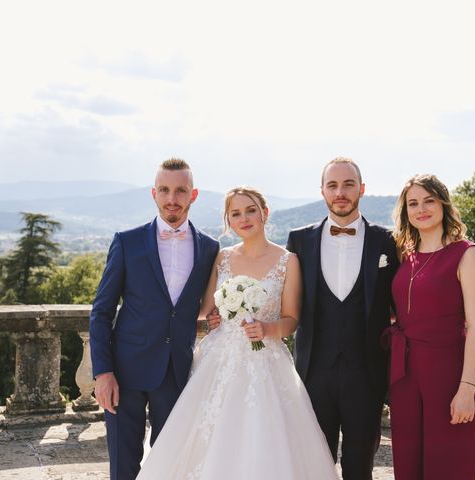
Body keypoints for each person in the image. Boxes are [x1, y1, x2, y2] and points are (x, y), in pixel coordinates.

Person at [137, 187, 339, 480]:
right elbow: (206, 308)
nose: (244, 218)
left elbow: (292, 318)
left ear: (264, 213)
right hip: (218, 359)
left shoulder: (288, 261)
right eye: (235, 214)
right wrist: (215, 315)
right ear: (228, 221)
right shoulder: (223, 258)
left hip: (267, 361)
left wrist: (268, 328)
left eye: (250, 210)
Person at [89, 158, 220, 480]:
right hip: (124, 371)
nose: (172, 199)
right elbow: (101, 312)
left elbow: (201, 306)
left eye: (180, 191)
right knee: (123, 464)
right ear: (153, 193)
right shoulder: (127, 242)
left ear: (194, 195)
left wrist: (219, 317)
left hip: (176, 372)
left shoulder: (209, 249)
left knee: (170, 465)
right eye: (164, 190)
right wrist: (103, 372)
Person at [286, 158, 398, 480]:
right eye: (332, 185)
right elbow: (285, 300)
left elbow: (402, 303)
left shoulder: (387, 241)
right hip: (313, 373)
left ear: (361, 189)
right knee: (313, 464)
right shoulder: (299, 241)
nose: (340, 192)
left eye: (348, 184)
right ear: (322, 191)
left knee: (360, 465)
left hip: (367, 375)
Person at [382, 174, 475, 480]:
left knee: (447, 463)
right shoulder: (406, 255)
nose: (421, 209)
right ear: (406, 212)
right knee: (407, 460)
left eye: (429, 200)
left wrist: (467, 388)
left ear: (443, 203)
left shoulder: (466, 254)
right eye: (413, 203)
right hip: (404, 375)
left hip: (446, 374)